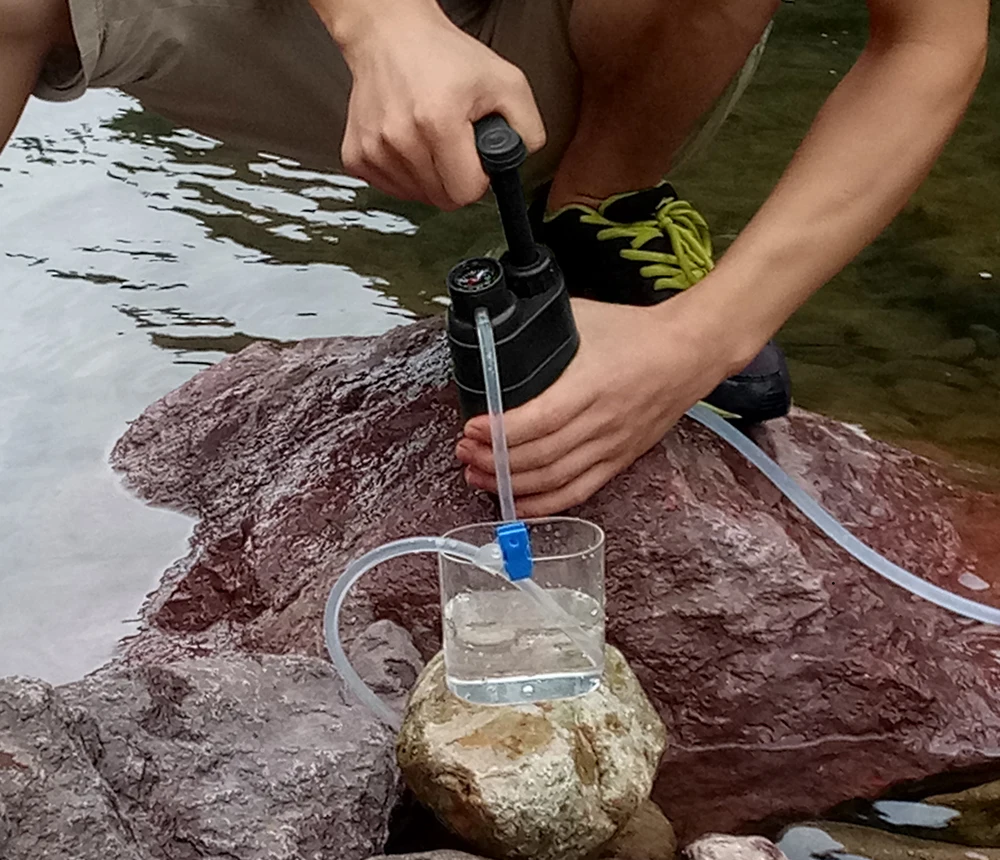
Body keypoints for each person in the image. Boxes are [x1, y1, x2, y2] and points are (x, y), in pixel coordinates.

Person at [2, 0, 989, 516]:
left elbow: (929, 42)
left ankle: (601, 216)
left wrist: (703, 337)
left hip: (588, 48)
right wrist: (385, 25)